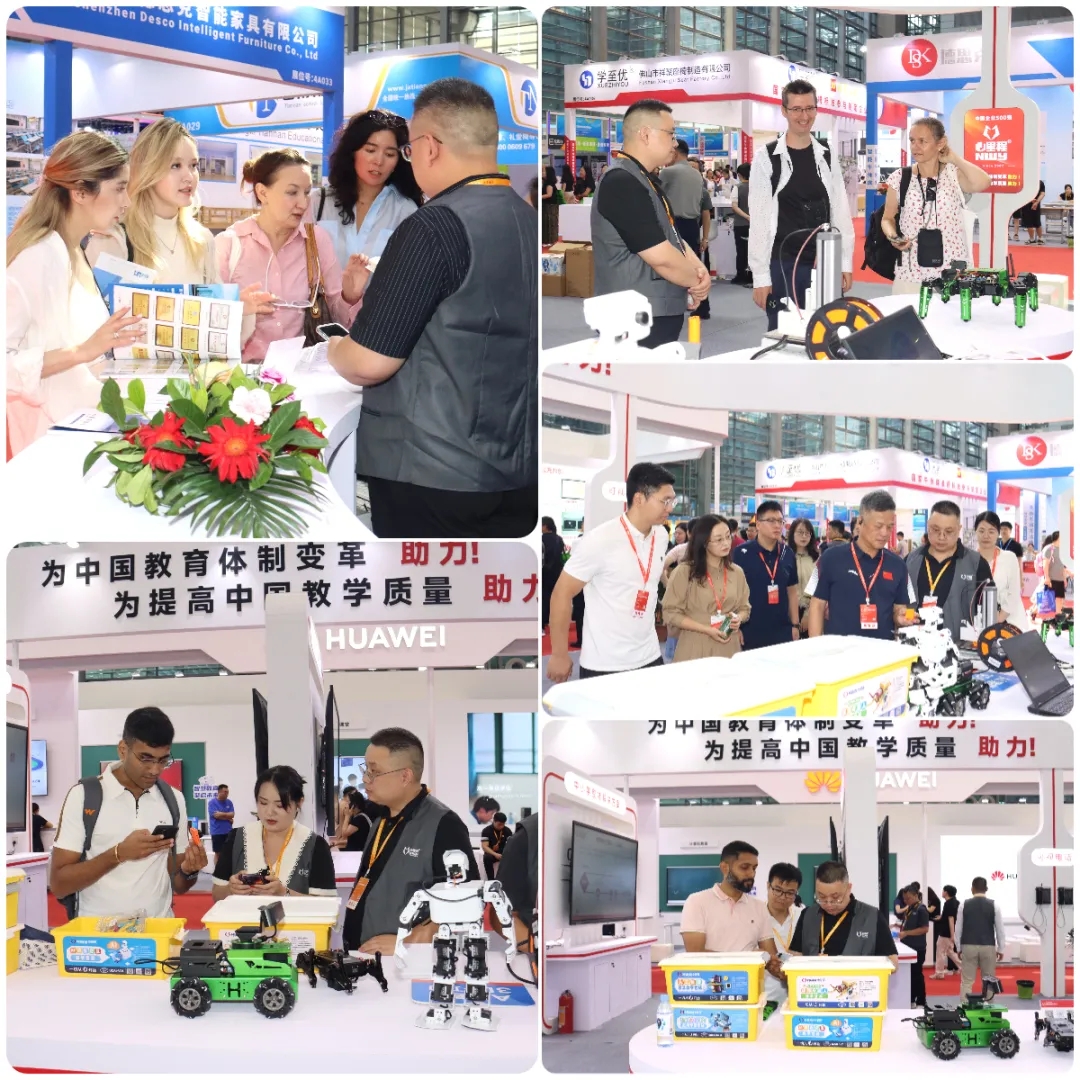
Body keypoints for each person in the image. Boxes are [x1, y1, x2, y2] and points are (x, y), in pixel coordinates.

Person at [327, 78, 536, 539]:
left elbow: (368, 361)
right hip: (517, 469)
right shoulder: (527, 219)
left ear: (430, 147)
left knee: (428, 585)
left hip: (432, 471)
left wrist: (334, 348)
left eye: (405, 149)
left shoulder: (434, 225)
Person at [6, 130, 147, 456]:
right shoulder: (38, 255)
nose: (126, 202)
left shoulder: (73, 249)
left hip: (85, 430)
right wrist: (82, 351)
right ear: (81, 192)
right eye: (119, 188)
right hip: (51, 445)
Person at [50, 707, 206, 917]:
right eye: (145, 758)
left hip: (158, 931)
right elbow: (59, 885)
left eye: (163, 760)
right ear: (123, 749)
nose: (155, 770)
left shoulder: (174, 799)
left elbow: (179, 884)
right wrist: (119, 854)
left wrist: (190, 870)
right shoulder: (83, 796)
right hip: (97, 933)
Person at [217, 147, 368, 362]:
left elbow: (337, 322)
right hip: (241, 373)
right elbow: (209, 321)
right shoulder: (229, 244)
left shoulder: (316, 241)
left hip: (299, 372)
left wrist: (350, 296)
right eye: (292, 192)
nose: (303, 203)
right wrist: (238, 309)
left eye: (306, 192)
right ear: (262, 193)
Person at [341, 727, 478, 955]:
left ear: (405, 776)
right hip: (364, 957)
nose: (365, 779)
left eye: (374, 772)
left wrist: (408, 941)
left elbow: (465, 900)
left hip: (407, 964)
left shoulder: (444, 825)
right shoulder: (381, 819)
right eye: (365, 770)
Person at [591, 99, 710, 349]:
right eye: (670, 134)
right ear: (645, 134)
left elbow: (672, 236)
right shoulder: (621, 182)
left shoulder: (645, 180)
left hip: (651, 311)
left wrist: (699, 269)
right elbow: (661, 257)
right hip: (633, 316)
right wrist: (697, 280)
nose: (674, 143)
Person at [546, 463, 674, 682]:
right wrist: (559, 654)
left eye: (672, 501)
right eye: (665, 501)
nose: (670, 508)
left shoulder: (661, 536)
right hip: (604, 663)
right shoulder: (600, 540)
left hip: (650, 656)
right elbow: (562, 593)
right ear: (639, 498)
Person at [748, 80, 855, 331]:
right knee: (785, 332)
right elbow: (760, 221)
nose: (804, 116)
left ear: (816, 109)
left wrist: (843, 262)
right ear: (784, 111)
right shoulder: (767, 158)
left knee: (827, 331)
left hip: (824, 260)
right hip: (784, 262)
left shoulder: (826, 154)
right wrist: (760, 277)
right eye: (796, 109)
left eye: (809, 108)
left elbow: (839, 210)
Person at [880, 117, 991, 292]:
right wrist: (893, 237)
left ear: (940, 143)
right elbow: (887, 219)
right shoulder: (900, 178)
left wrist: (954, 158)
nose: (915, 147)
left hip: (952, 272)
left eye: (922, 141)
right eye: (912, 141)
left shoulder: (954, 175)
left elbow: (983, 182)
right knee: (908, 310)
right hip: (911, 272)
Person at [315, 108, 423, 278]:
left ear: (399, 160)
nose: (378, 161)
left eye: (390, 154)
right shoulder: (318, 202)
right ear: (352, 152)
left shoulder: (405, 210)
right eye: (370, 150)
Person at [212, 765, 337, 899]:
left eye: (280, 805)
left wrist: (285, 893)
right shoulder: (237, 838)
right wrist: (231, 890)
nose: (270, 812)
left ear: (299, 803)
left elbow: (326, 904)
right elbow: (217, 894)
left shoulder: (315, 846)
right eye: (263, 803)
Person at [808, 490, 916, 640]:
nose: (884, 533)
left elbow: (900, 608)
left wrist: (900, 617)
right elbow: (817, 606)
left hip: (883, 650)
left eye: (889, 527)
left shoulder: (898, 565)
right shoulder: (830, 558)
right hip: (839, 650)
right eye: (878, 526)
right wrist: (816, 647)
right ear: (860, 521)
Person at [679, 841, 783, 982]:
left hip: (750, 987)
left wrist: (780, 966)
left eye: (754, 868)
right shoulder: (697, 902)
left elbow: (770, 956)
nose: (751, 874)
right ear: (724, 868)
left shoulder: (759, 907)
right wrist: (747, 958)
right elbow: (695, 953)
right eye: (745, 867)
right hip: (710, 986)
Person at [662, 515, 751, 660]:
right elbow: (670, 612)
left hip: (729, 644)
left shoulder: (736, 572)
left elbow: (745, 608)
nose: (726, 543)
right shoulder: (685, 571)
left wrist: (738, 618)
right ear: (704, 542)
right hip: (695, 644)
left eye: (728, 537)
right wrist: (706, 629)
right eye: (719, 539)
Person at [905, 500, 994, 645]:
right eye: (935, 530)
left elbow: (989, 610)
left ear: (959, 529)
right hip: (914, 644)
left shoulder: (976, 563)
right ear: (928, 525)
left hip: (959, 647)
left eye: (949, 531)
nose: (941, 537)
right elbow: (900, 602)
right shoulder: (911, 560)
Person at [789, 862, 898, 968]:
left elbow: (893, 963)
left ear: (849, 888)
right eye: (822, 897)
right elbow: (795, 955)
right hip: (814, 980)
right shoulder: (808, 915)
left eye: (835, 898)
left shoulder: (872, 917)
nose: (829, 904)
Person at [732, 500, 799, 650]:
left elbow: (792, 591)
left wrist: (795, 624)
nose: (777, 525)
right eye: (771, 521)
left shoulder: (787, 553)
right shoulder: (741, 553)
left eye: (780, 521)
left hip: (782, 630)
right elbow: (732, 592)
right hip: (749, 629)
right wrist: (736, 628)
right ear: (758, 524)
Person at [660, 140, 712, 319]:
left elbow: (656, 196)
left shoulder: (668, 172)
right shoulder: (697, 175)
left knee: (670, 265)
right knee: (695, 267)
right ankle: (702, 306)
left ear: (675, 152)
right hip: (692, 225)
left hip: (674, 225)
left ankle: (671, 307)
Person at [974, 510, 1031, 630]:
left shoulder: (1009, 557)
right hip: (978, 621)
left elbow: (1014, 592)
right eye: (981, 531)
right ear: (975, 532)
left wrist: (999, 618)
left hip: (1009, 620)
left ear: (998, 533)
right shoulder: (969, 559)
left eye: (991, 531)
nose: (986, 536)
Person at [955, 876, 1007, 999]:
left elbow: (958, 928)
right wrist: (1001, 949)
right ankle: (989, 1005)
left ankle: (965, 1006)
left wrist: (958, 948)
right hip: (988, 946)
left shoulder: (963, 905)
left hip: (968, 945)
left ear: (972, 889)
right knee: (989, 979)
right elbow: (1000, 929)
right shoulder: (995, 905)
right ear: (986, 889)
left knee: (967, 981)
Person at [762, 863, 803, 1006]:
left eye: (790, 893)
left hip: (800, 996)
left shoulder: (803, 916)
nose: (782, 897)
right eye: (778, 890)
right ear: (768, 886)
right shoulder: (754, 917)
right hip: (766, 998)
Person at [897, 885, 930, 1007]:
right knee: (909, 975)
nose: (906, 901)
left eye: (908, 898)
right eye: (904, 899)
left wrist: (906, 933)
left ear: (916, 895)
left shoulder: (921, 909)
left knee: (916, 975)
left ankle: (921, 1000)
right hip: (908, 946)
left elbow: (924, 929)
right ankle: (911, 999)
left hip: (917, 947)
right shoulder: (910, 908)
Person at [787, 517, 819, 636]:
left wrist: (807, 613)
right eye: (800, 532)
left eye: (807, 533)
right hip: (787, 611)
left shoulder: (816, 559)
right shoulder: (785, 557)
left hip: (810, 611)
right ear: (792, 534)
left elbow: (818, 588)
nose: (804, 536)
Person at [931, 884, 961, 979]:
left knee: (940, 951)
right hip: (949, 931)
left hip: (946, 932)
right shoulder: (956, 902)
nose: (942, 892)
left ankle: (939, 973)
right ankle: (965, 967)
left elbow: (951, 919)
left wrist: (952, 935)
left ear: (946, 892)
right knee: (950, 952)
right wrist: (942, 917)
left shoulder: (948, 904)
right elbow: (950, 917)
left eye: (943, 891)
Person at [541, 516, 566, 630]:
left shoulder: (542, 539)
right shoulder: (559, 539)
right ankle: (556, 622)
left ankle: (543, 623)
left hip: (545, 572)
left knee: (544, 598)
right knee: (556, 598)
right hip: (557, 573)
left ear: (545, 526)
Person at [731, 162, 752, 286]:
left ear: (739, 175)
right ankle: (752, 277)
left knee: (741, 250)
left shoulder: (737, 188)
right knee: (754, 251)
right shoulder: (759, 187)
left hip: (741, 224)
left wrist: (747, 217)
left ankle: (741, 276)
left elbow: (734, 207)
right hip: (756, 225)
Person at [206, 783, 235, 868]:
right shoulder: (212, 803)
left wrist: (222, 814)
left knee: (228, 853)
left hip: (228, 831)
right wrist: (227, 817)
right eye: (225, 792)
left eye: (227, 792)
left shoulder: (229, 802)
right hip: (217, 832)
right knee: (218, 853)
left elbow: (232, 814)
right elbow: (216, 816)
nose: (227, 794)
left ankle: (227, 871)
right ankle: (217, 872)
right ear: (219, 792)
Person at [480, 811, 510, 880]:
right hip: (492, 853)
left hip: (504, 853)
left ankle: (506, 879)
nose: (501, 826)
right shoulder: (486, 831)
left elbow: (510, 845)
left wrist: (505, 853)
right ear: (494, 821)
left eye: (503, 824)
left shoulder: (507, 831)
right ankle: (491, 879)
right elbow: (484, 846)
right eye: (499, 824)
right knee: (487, 858)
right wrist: (495, 854)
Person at [1043, 530, 1069, 602]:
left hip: (1060, 579)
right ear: (1057, 538)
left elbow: (1062, 565)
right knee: (1049, 601)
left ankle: (1059, 610)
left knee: (1059, 599)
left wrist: (1064, 578)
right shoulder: (1049, 549)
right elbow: (1045, 564)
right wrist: (1047, 577)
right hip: (1052, 579)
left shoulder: (1062, 550)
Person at [1021, 178, 1046, 244]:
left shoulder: (1040, 182)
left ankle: (1039, 238)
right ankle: (1033, 239)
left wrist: (1036, 202)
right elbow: (1023, 192)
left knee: (1037, 222)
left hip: (1034, 204)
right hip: (1027, 204)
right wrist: (1032, 200)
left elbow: (1042, 193)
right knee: (1030, 222)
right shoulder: (1025, 182)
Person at [542, 165, 559, 245]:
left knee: (548, 224)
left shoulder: (549, 184)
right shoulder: (547, 183)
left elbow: (549, 194)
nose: (542, 173)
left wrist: (540, 197)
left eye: (544, 171)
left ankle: (549, 240)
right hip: (549, 206)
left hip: (549, 206)